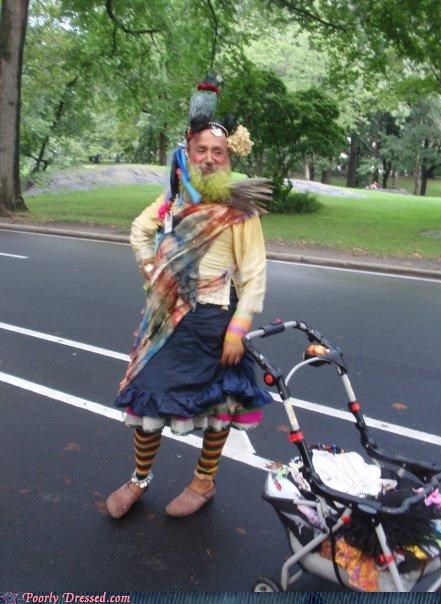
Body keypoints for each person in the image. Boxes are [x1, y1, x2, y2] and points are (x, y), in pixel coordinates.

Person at [106, 76, 273, 519]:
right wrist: (151, 271)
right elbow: (139, 231)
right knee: (147, 395)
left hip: (215, 323)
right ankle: (140, 479)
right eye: (202, 150)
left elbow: (254, 275)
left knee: (219, 405)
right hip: (165, 320)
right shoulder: (173, 202)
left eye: (219, 152)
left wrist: (238, 329)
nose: (210, 158)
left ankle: (203, 482)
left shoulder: (241, 211)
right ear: (188, 150)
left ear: (228, 158)